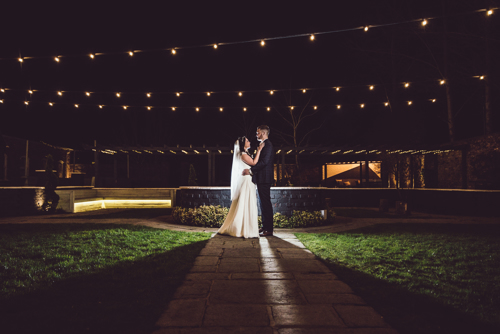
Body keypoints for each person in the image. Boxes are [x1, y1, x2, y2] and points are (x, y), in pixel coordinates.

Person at [218, 136, 265, 238]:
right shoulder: (243, 154)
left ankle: (247, 228)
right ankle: (240, 229)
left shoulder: (245, 154)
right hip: (246, 182)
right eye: (247, 141)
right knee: (245, 203)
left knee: (248, 203)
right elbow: (253, 163)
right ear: (243, 144)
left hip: (248, 180)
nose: (249, 141)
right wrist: (259, 150)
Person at [243, 125, 275, 236]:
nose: (256, 134)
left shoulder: (268, 145)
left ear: (263, 133)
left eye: (258, 132)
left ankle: (269, 230)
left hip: (265, 178)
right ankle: (265, 226)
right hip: (262, 178)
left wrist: (251, 171)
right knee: (262, 203)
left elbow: (264, 162)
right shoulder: (263, 145)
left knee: (265, 203)